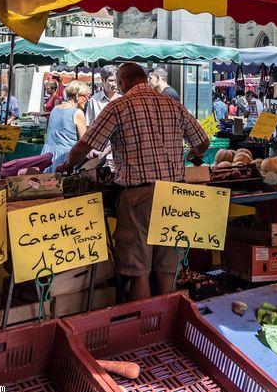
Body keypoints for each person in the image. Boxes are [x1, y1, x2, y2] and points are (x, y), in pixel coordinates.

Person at [58, 62, 209, 300]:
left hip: (139, 196)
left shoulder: (119, 106)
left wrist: (68, 165)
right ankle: (169, 320)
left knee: (139, 271)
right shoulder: (173, 104)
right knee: (167, 268)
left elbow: (85, 145)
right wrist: (191, 155)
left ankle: (147, 327)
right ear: (145, 79)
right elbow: (202, 143)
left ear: (122, 82)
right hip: (175, 196)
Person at [43, 80, 91, 171]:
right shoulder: (77, 113)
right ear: (77, 95)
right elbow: (83, 142)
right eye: (86, 96)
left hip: (48, 155)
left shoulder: (55, 109)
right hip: (65, 157)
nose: (88, 99)